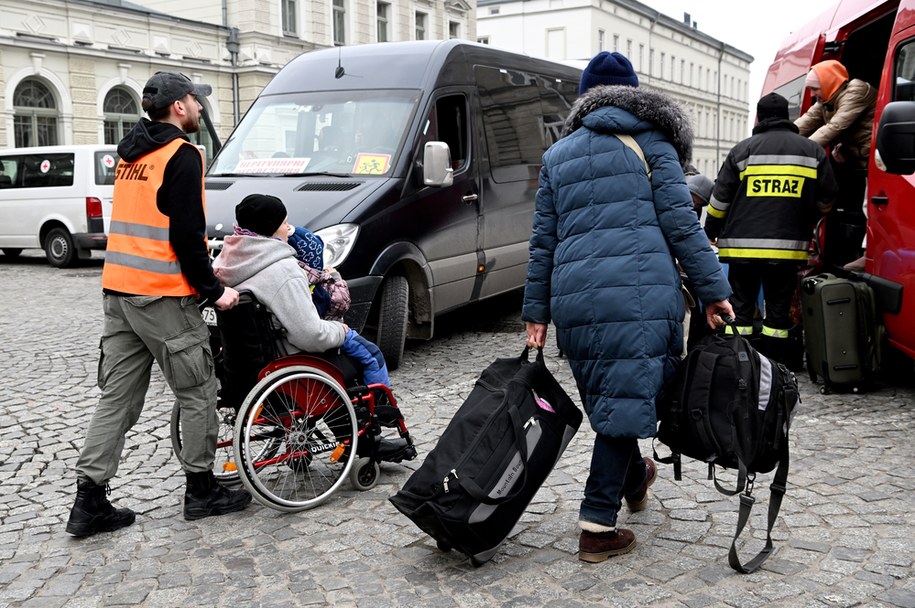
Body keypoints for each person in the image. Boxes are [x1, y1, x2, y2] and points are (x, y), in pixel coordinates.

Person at [522, 51, 734, 563]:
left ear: (585, 98)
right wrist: (712, 290)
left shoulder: (558, 156)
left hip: (575, 300)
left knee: (618, 396)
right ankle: (596, 526)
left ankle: (635, 479)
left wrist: (537, 312)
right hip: (640, 293)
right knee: (624, 404)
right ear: (635, 94)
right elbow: (682, 225)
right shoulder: (654, 143)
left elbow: (543, 242)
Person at [66, 72, 251, 538]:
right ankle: (201, 489)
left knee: (117, 399)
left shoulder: (131, 152)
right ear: (179, 107)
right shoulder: (182, 155)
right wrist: (214, 291)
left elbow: (152, 218)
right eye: (196, 100)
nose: (201, 108)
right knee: (198, 390)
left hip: (119, 292)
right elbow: (184, 236)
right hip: (162, 297)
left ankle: (88, 500)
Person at [706, 92, 838, 368]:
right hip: (787, 250)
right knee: (778, 312)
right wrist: (805, 217)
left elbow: (719, 202)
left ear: (760, 117)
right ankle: (775, 366)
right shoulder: (811, 151)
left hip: (741, 250)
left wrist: (711, 230)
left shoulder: (742, 150)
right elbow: (827, 200)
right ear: (787, 118)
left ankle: (740, 364)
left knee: (740, 310)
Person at [213, 194, 390, 387]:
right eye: (285, 223)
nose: (288, 229)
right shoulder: (283, 271)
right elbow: (310, 335)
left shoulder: (225, 264)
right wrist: (341, 330)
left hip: (246, 364)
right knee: (372, 355)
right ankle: (384, 415)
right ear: (271, 230)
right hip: (290, 359)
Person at [795, 60, 877, 270]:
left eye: (815, 88)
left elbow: (835, 127)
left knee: (872, 207)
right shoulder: (827, 101)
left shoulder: (856, 91)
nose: (813, 94)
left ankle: (871, 254)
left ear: (829, 82)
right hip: (860, 161)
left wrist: (796, 151)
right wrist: (778, 138)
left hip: (878, 161)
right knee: (863, 206)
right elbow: (803, 123)